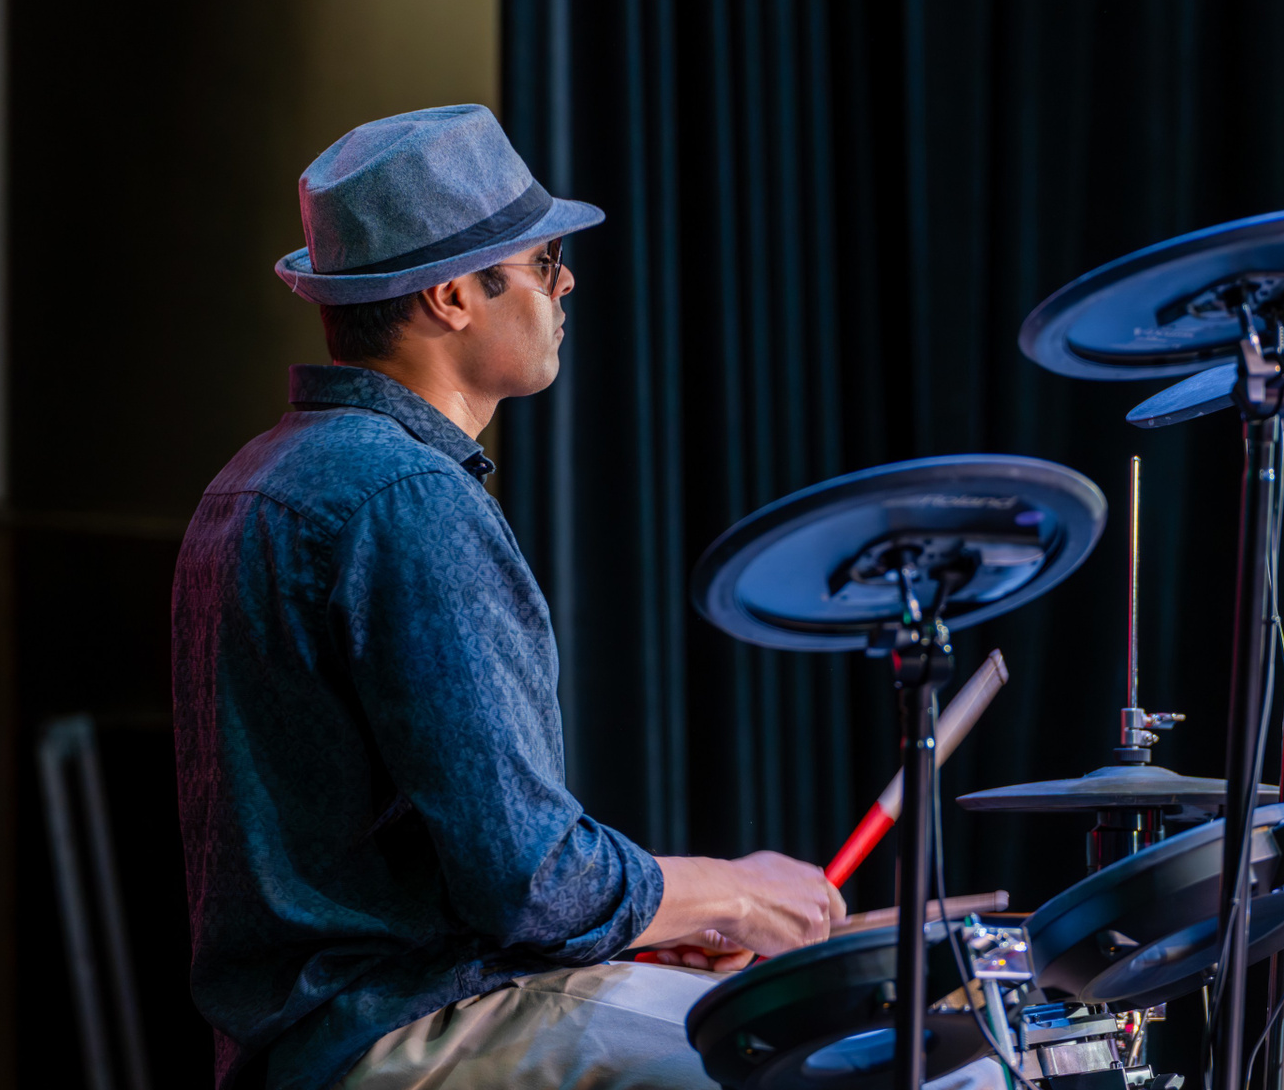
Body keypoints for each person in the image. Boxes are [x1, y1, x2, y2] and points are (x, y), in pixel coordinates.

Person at [172, 105, 845, 1090]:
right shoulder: (406, 497)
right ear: (452, 295)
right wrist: (730, 892)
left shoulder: (258, 476)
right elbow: (530, 880)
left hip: (323, 1033)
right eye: (542, 263)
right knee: (824, 1058)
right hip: (410, 1029)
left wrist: (640, 926)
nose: (565, 284)